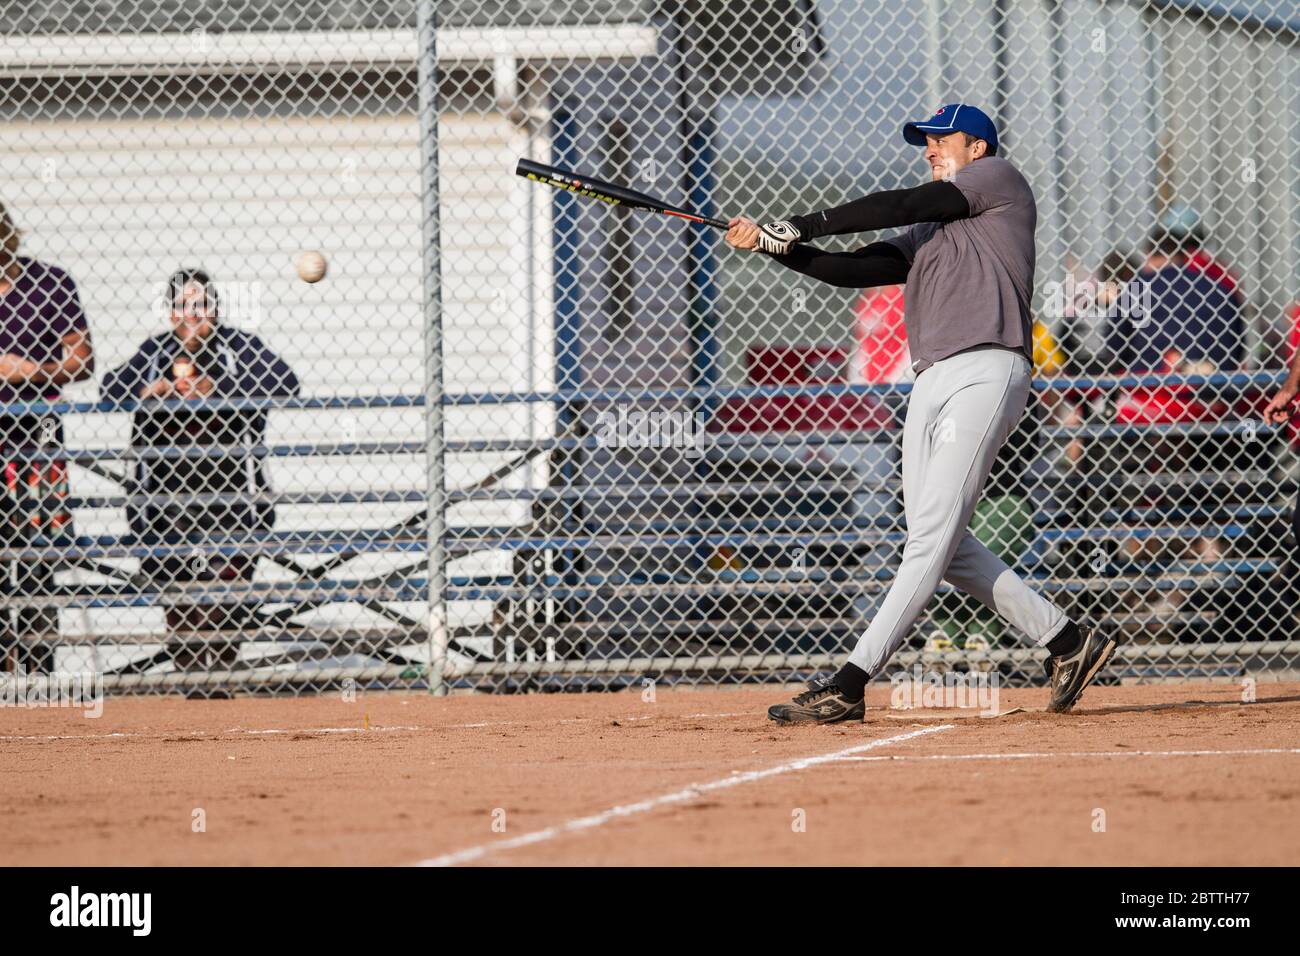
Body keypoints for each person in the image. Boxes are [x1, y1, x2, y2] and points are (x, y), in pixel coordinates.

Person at [726, 103, 1115, 722]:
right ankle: (1069, 642)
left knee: (929, 539)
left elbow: (900, 204)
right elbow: (851, 269)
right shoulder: (929, 230)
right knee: (942, 544)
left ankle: (850, 682)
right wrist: (775, 247)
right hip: (930, 380)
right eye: (925, 142)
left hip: (986, 369)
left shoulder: (997, 182)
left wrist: (799, 222)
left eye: (943, 140)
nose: (931, 149)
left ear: (978, 148)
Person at [102, 269, 299, 681]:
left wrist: (218, 388)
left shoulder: (238, 347)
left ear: (216, 309)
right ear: (172, 313)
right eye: (183, 305)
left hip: (232, 497)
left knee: (227, 599)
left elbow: (286, 382)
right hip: (164, 501)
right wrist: (150, 389)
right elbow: (109, 389)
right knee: (180, 599)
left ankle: (221, 676)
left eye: (202, 304)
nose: (193, 314)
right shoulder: (156, 352)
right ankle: (192, 680)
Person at [0, 200, 95, 674]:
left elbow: (84, 359)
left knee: (38, 556)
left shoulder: (48, 282)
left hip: (36, 438)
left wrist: (37, 371)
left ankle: (38, 667)